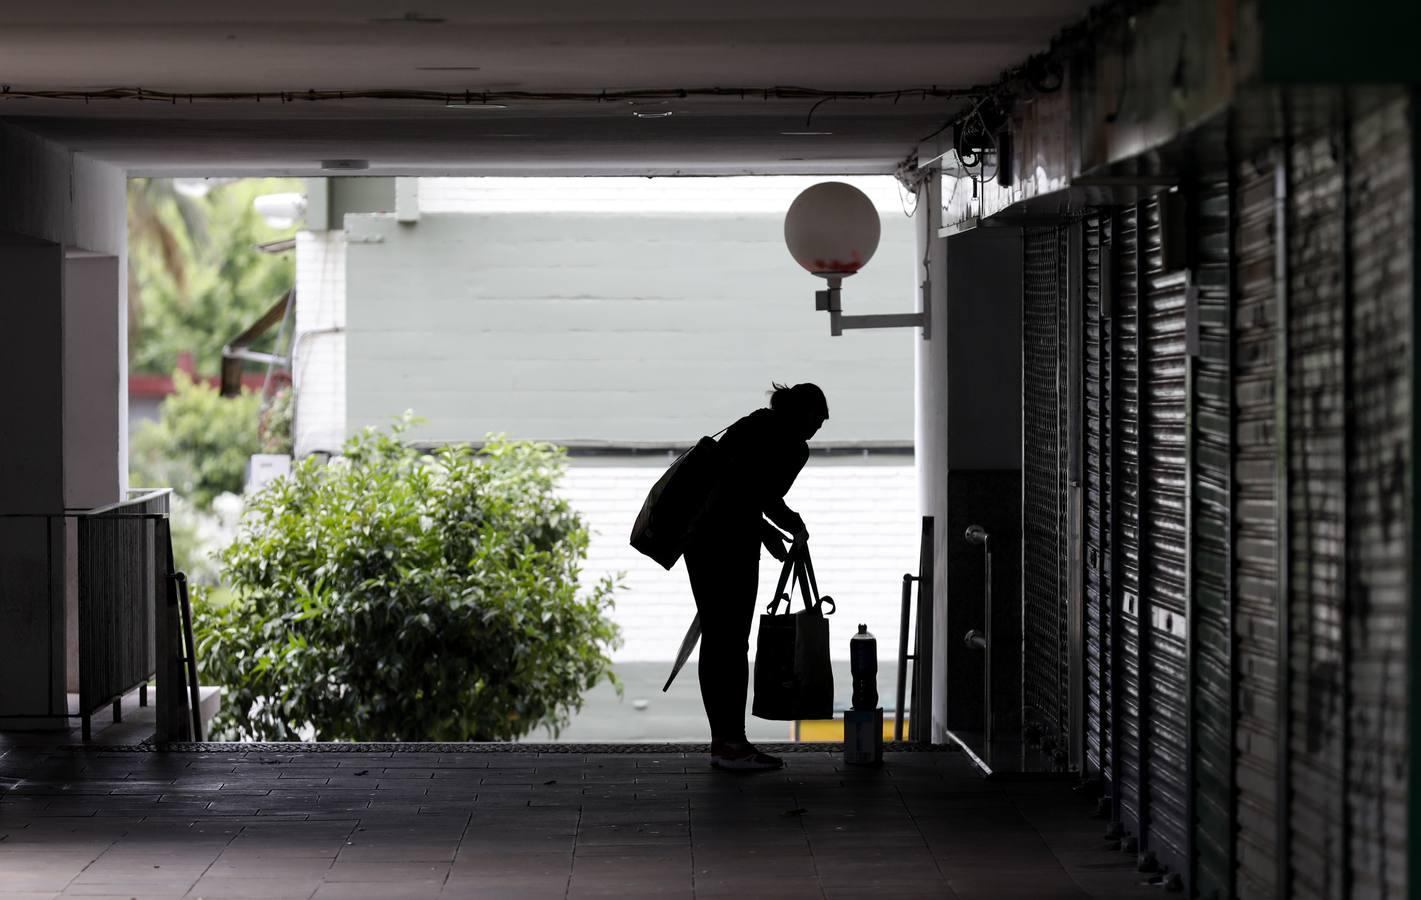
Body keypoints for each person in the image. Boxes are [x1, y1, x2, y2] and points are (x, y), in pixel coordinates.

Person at [685, 382, 828, 771]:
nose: (817, 429)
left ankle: (723, 741)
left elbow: (738, 488)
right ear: (804, 415)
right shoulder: (792, 445)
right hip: (729, 544)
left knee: (718, 639)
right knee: (731, 643)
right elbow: (757, 496)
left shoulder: (750, 425)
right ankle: (732, 745)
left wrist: (771, 530)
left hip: (697, 537)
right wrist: (787, 528)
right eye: (817, 420)